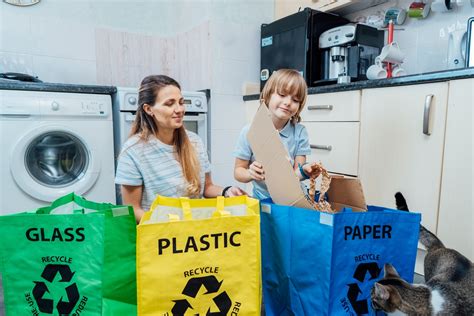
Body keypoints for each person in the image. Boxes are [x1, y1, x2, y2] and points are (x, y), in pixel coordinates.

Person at [115, 75, 245, 222]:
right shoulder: (133, 151)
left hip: (194, 232)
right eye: (169, 104)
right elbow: (133, 209)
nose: (179, 109)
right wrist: (168, 227)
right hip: (159, 236)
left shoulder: (195, 142)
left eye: (181, 102)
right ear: (149, 109)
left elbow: (206, 187)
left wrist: (227, 191)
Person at [233, 69, 321, 200]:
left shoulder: (300, 132)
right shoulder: (250, 131)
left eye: (295, 99)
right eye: (281, 94)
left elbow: (296, 176)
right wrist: (250, 173)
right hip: (262, 199)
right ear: (268, 95)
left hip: (292, 199)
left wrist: (305, 171)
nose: (288, 102)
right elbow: (238, 172)